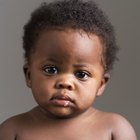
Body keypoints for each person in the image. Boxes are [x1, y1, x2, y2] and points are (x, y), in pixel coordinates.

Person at [0, 0, 137, 139]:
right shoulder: (12, 130)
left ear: (101, 84)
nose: (65, 82)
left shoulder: (115, 129)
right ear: (29, 76)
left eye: (81, 74)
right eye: (51, 70)